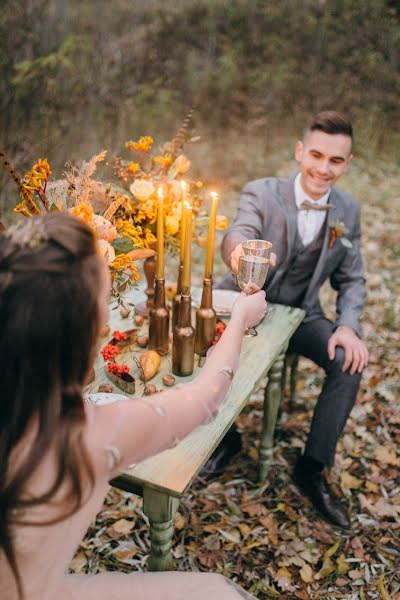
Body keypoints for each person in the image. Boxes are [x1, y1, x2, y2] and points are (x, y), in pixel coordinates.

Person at [0, 212, 267, 600]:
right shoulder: (90, 433)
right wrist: (240, 318)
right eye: (103, 303)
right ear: (83, 327)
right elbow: (208, 395)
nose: (107, 319)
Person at [211, 111, 369, 529]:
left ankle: (312, 467)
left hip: (302, 314)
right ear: (300, 151)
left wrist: (348, 324)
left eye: (335, 160)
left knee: (348, 363)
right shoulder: (262, 192)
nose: (323, 168)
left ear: (347, 164)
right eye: (316, 155)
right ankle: (225, 441)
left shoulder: (348, 210)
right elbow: (238, 231)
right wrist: (240, 253)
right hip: (243, 304)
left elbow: (351, 276)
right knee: (207, 349)